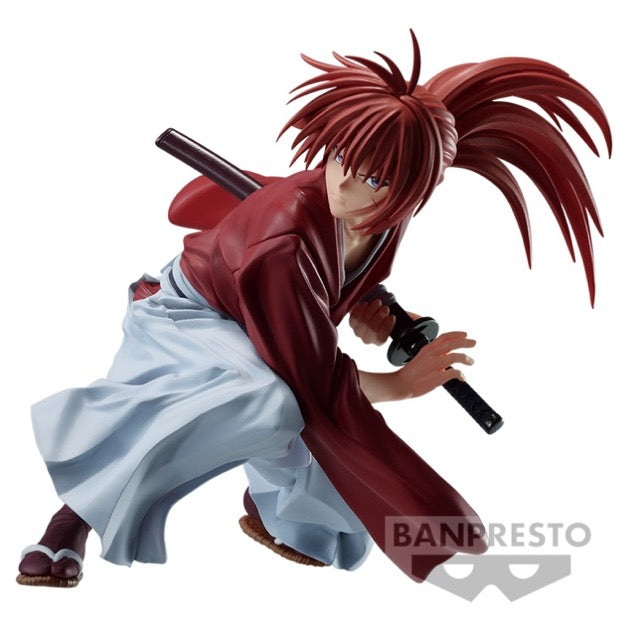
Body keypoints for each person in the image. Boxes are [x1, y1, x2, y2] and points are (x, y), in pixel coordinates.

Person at [17, 31, 610, 587]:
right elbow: (313, 381)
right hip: (190, 315)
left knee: (278, 404)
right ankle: (76, 515)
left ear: (416, 191)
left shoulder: (387, 217)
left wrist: (354, 306)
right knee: (270, 400)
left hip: (261, 318)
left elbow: (329, 291)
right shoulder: (280, 243)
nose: (343, 185)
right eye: (341, 156)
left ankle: (276, 508)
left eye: (375, 179)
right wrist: (400, 385)